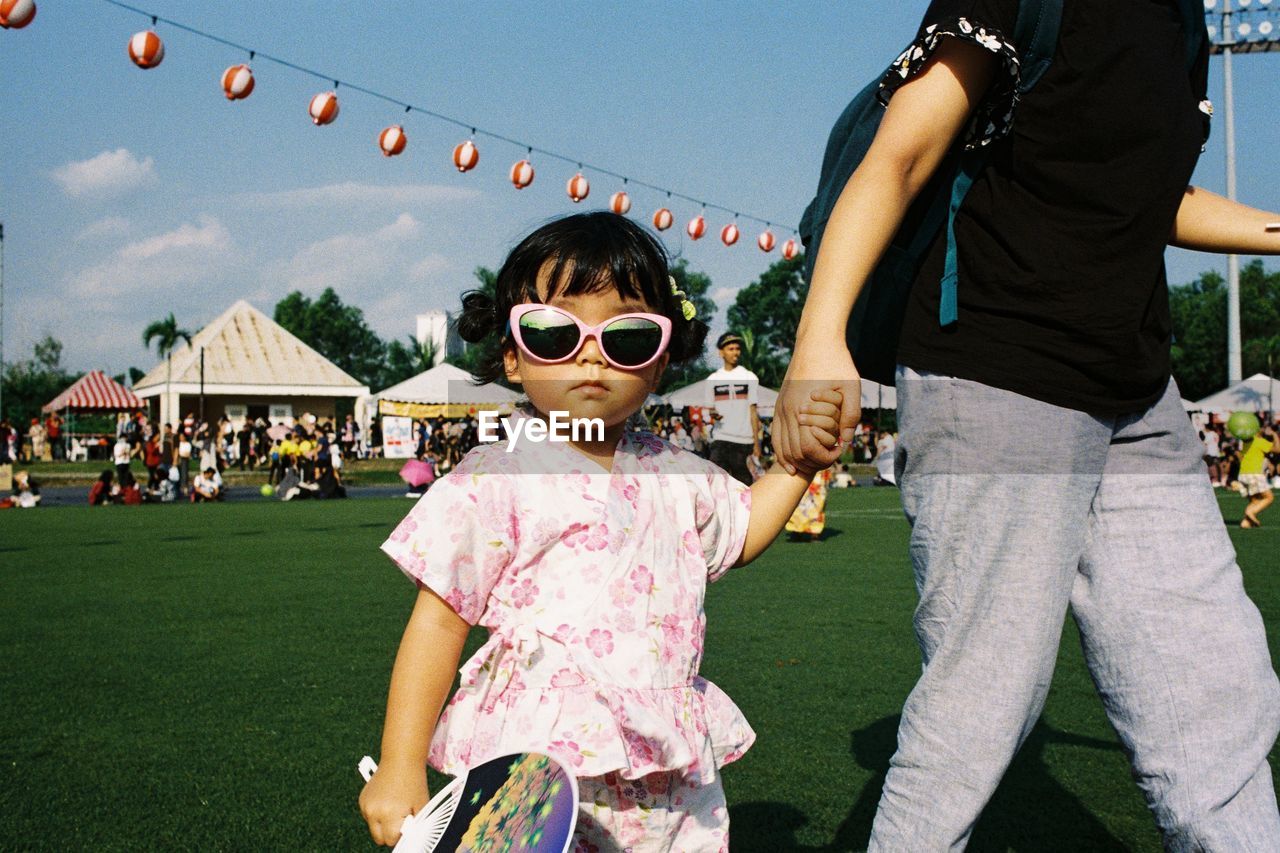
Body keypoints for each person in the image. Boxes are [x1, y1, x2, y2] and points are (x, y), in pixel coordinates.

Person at [773, 2, 1280, 848]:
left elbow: (1153, 197)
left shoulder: (1182, 22)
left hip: (1136, 389)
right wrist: (819, 339)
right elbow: (902, 156)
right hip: (996, 368)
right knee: (982, 703)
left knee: (1211, 687)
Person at [358, 212, 840, 851]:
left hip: (668, 769)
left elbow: (742, 532)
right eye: (554, 334)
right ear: (512, 356)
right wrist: (399, 764)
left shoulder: (681, 472)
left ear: (662, 358)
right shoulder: (497, 475)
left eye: (628, 336)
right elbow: (440, 622)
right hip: (538, 765)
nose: (591, 353)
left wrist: (795, 466)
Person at [705, 331, 762, 486]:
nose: (735, 352)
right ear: (721, 353)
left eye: (737, 348)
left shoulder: (749, 377)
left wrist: (757, 444)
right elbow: (710, 409)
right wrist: (713, 414)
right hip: (721, 438)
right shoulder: (712, 380)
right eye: (731, 349)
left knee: (743, 485)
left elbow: (753, 412)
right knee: (715, 482)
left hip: (743, 440)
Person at [1239, 423, 1276, 529]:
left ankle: (1245, 523)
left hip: (1243, 474)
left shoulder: (1246, 441)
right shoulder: (1259, 442)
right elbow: (1277, 449)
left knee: (1255, 500)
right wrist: (1274, 434)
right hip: (1254, 473)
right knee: (1269, 497)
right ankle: (1250, 512)